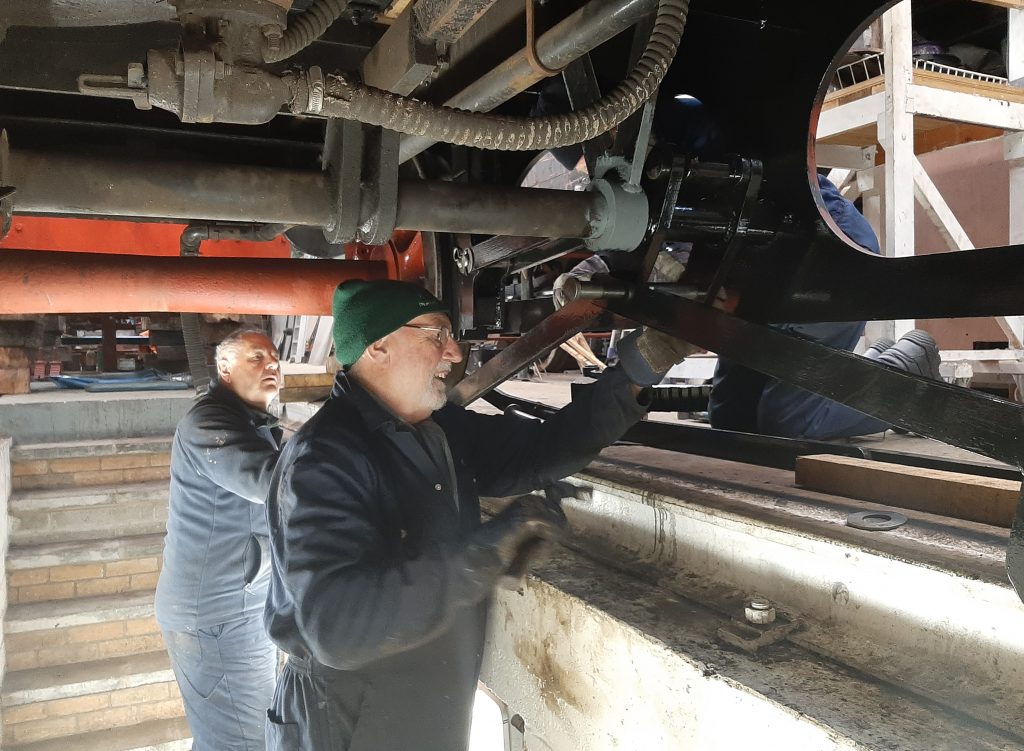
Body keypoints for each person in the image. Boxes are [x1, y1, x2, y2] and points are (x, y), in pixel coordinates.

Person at [262, 279, 691, 751]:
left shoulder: (436, 429)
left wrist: (639, 367)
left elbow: (541, 450)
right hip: (346, 716)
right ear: (378, 347)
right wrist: (484, 553)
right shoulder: (324, 459)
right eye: (436, 336)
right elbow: (338, 628)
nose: (453, 354)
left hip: (424, 695)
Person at [709, 174, 942, 440]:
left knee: (790, 423)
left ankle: (910, 379)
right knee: (731, 421)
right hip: (762, 266)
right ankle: (873, 367)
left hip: (827, 251)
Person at [155, 328, 284, 751]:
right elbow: (271, 483)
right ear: (224, 368)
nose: (272, 365)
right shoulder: (208, 422)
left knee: (233, 735)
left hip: (234, 606)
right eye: (256, 357)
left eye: (275, 358)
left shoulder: (249, 423)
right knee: (244, 743)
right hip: (217, 617)